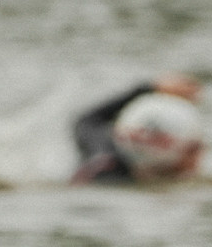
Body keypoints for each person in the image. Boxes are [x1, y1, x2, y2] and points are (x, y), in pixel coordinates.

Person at [72, 74, 204, 184]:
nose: (201, 153)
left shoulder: (102, 159)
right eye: (195, 147)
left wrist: (151, 88)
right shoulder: (107, 176)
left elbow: (87, 121)